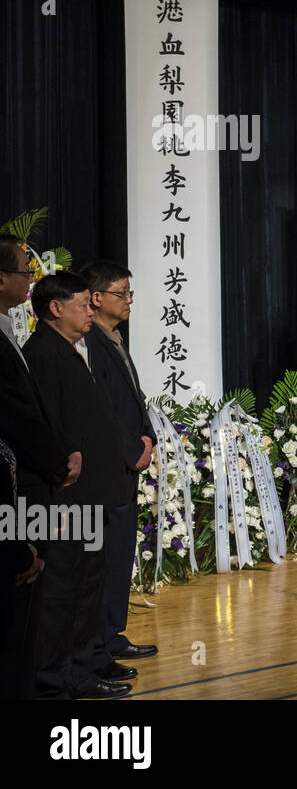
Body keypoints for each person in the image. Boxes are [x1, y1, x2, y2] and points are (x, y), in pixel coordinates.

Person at [22, 271, 131, 699]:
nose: (91, 310)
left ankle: (82, 670)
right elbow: (49, 427)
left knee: (87, 589)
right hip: (66, 499)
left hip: (92, 496)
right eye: (83, 303)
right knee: (62, 594)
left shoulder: (71, 350)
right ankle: (54, 680)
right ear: (55, 307)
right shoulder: (44, 354)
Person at [0, 235, 79, 699]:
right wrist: (57, 462)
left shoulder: (9, 331)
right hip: (16, 492)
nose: (29, 280)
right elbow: (18, 416)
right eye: (22, 272)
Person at [81, 261, 160, 680]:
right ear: (96, 298)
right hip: (109, 467)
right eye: (122, 293)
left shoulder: (112, 337)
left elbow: (133, 396)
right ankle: (98, 646)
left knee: (119, 556)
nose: (129, 300)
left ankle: (112, 635)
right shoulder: (88, 340)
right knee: (106, 558)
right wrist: (133, 449)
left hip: (128, 461)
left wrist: (149, 436)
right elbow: (104, 410)